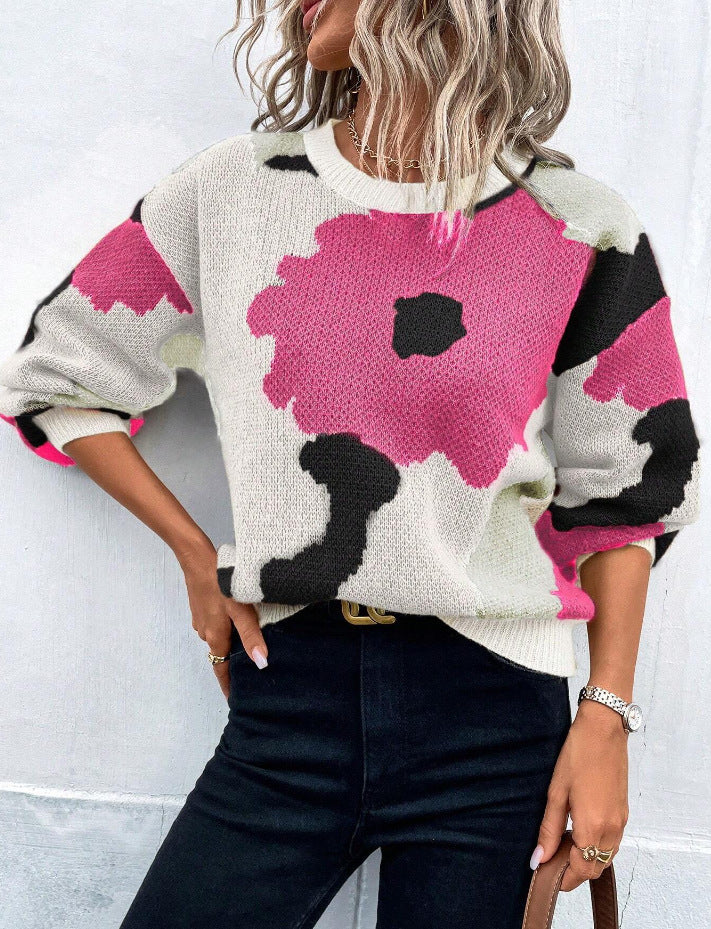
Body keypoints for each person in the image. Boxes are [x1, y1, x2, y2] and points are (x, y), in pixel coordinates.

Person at [0, 1, 702, 926]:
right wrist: (194, 554)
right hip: (289, 698)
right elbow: (58, 375)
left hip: (494, 716)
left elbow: (631, 491)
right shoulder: (231, 191)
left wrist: (606, 717)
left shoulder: (577, 226)